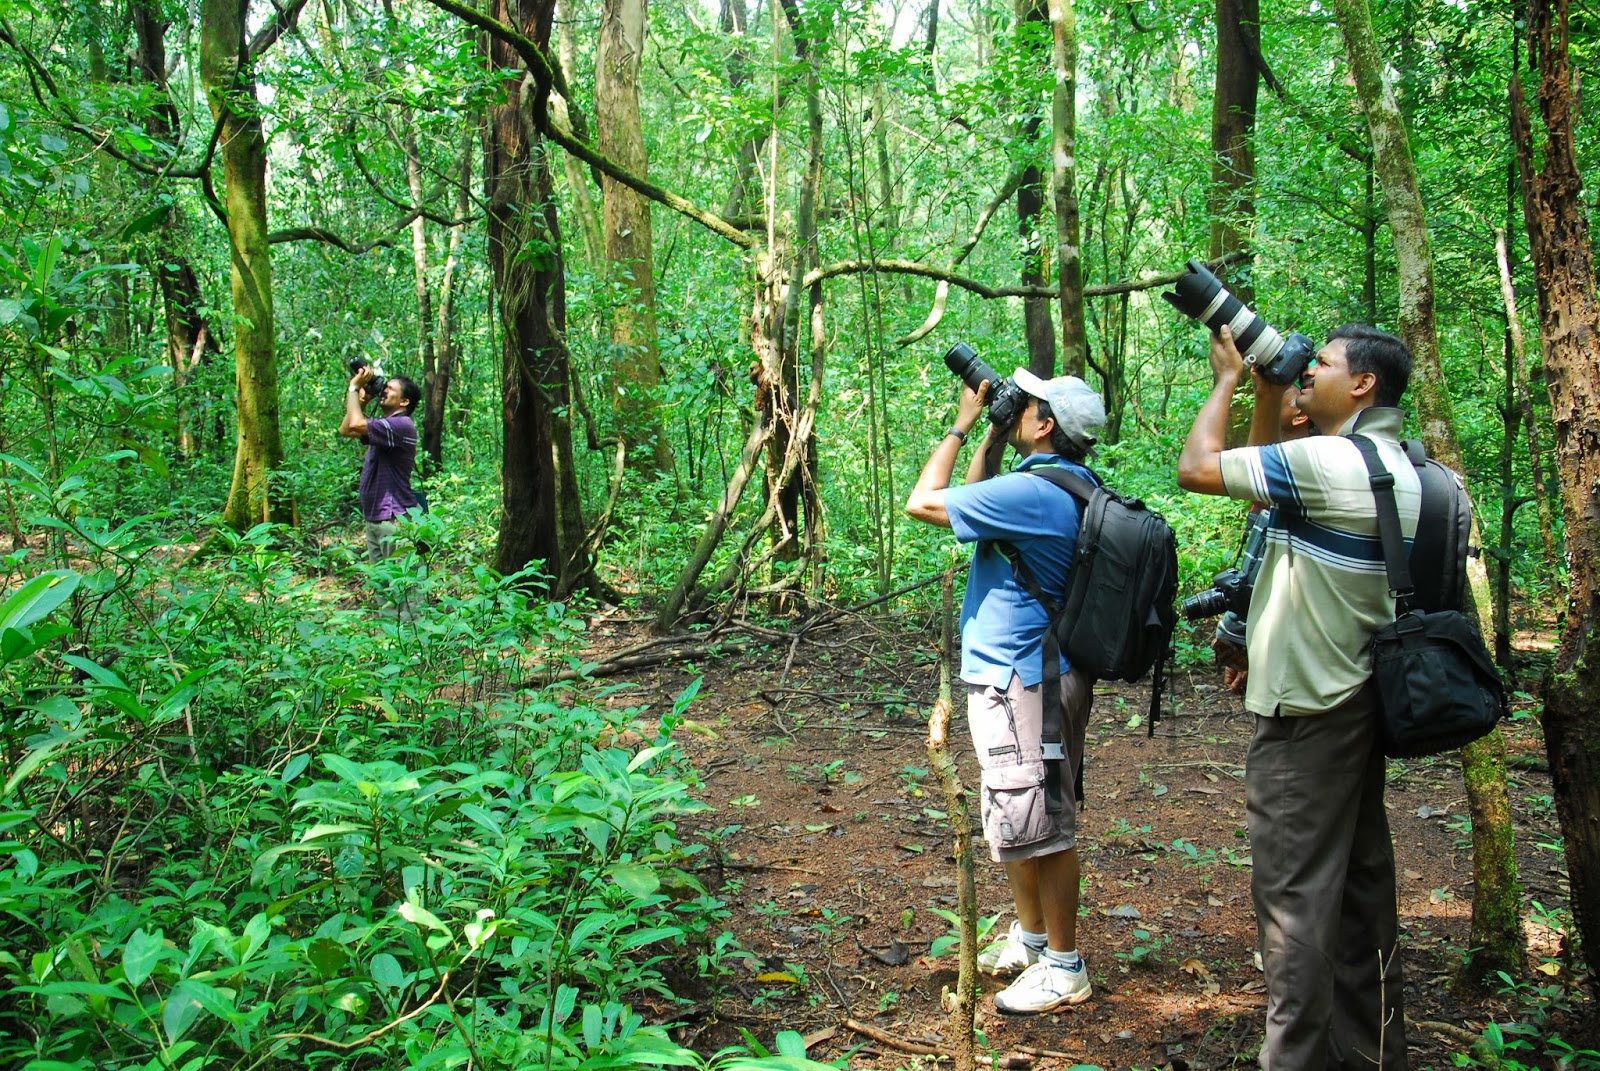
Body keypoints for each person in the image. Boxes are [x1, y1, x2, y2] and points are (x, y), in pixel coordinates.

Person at [1176, 324, 1419, 1070]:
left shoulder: (1330, 461)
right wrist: (1272, 391)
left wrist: (1227, 381)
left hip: (1305, 718)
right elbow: (1264, 500)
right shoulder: (1388, 464)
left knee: (1292, 907)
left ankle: (1294, 1059)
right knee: (1357, 892)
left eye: (1325, 364)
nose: (1310, 370)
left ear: (1365, 383)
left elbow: (1198, 468)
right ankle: (1371, 1052)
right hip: (1354, 700)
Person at [905, 368, 1106, 1015]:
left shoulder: (1032, 493)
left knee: (1042, 821)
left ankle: (1064, 965)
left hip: (1028, 678)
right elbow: (975, 506)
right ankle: (1032, 938)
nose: (1016, 404)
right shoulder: (1054, 485)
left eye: (1027, 403)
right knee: (1018, 813)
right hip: (1021, 675)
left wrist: (964, 423)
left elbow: (926, 500)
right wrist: (996, 431)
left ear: (1045, 424)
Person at [1212, 382, 1315, 695]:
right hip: (1265, 646)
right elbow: (1252, 568)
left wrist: (1236, 637)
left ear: (1299, 417)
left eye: (1277, 400)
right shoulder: (1276, 478)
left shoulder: (1301, 475)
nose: (1264, 407)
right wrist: (1239, 650)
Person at [339, 366, 422, 563]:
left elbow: (355, 424)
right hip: (377, 516)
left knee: (402, 588)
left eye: (390, 389)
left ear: (404, 401)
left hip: (395, 516)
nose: (384, 390)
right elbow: (345, 430)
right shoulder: (385, 426)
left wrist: (353, 388)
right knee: (381, 587)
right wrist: (362, 400)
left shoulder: (402, 425)